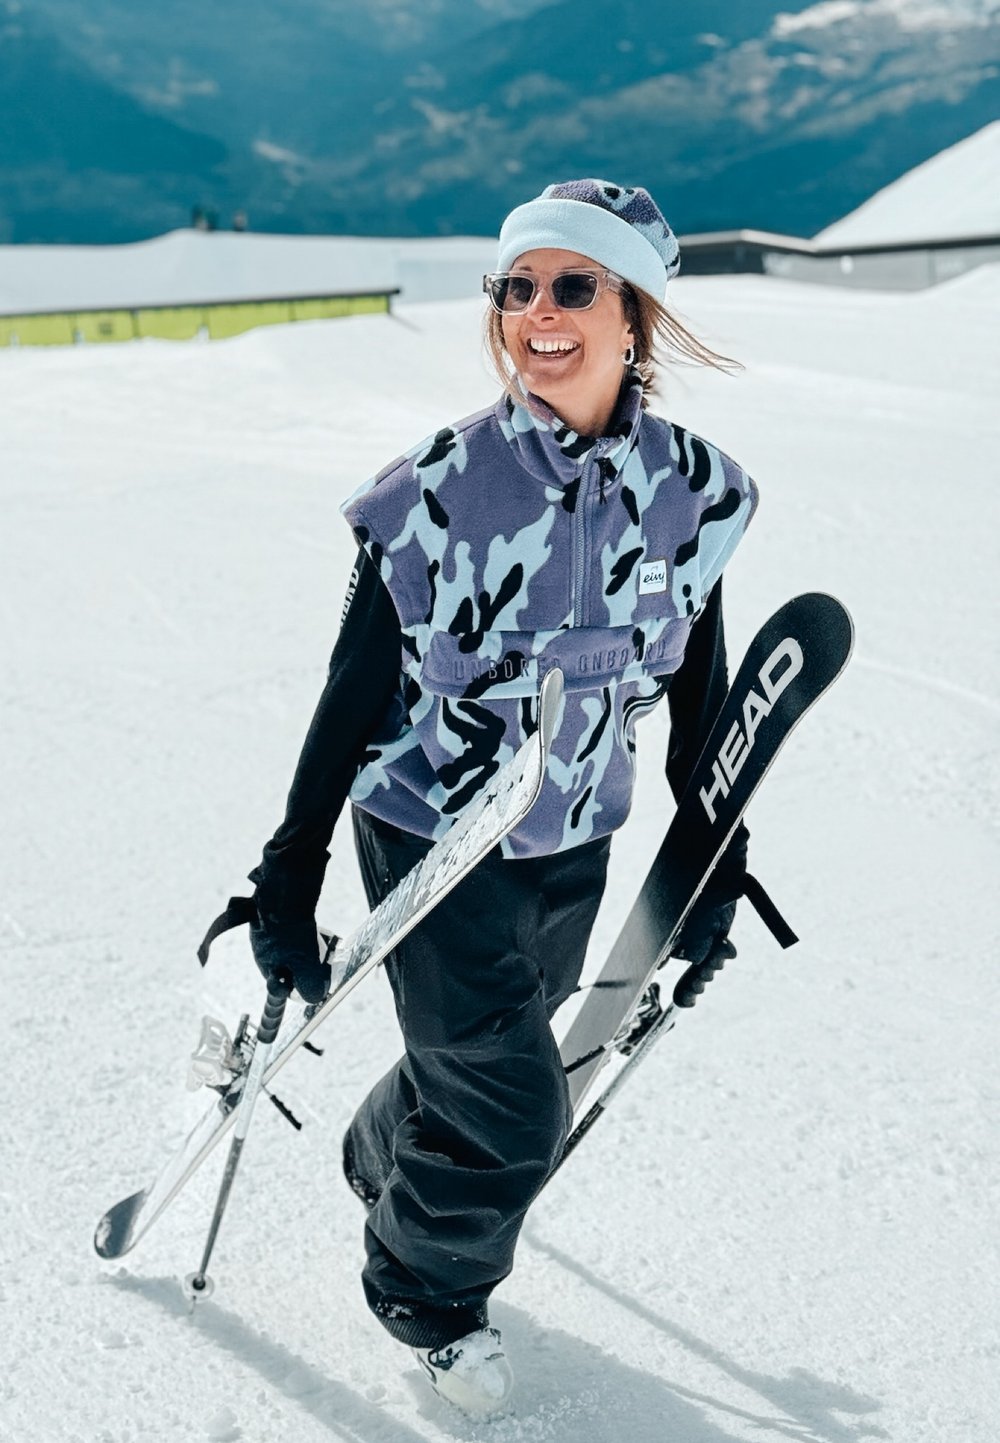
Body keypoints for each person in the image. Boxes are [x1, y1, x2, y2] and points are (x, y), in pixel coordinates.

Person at [247, 179, 758, 1416]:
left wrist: (713, 861)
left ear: (632, 312)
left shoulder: (693, 490)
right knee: (522, 1111)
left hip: (578, 824)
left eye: (571, 285)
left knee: (484, 1055)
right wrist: (287, 872)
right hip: (433, 831)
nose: (538, 311)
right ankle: (426, 1296)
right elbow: (352, 689)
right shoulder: (436, 490)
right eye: (515, 286)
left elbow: (700, 689)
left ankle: (382, 1156)